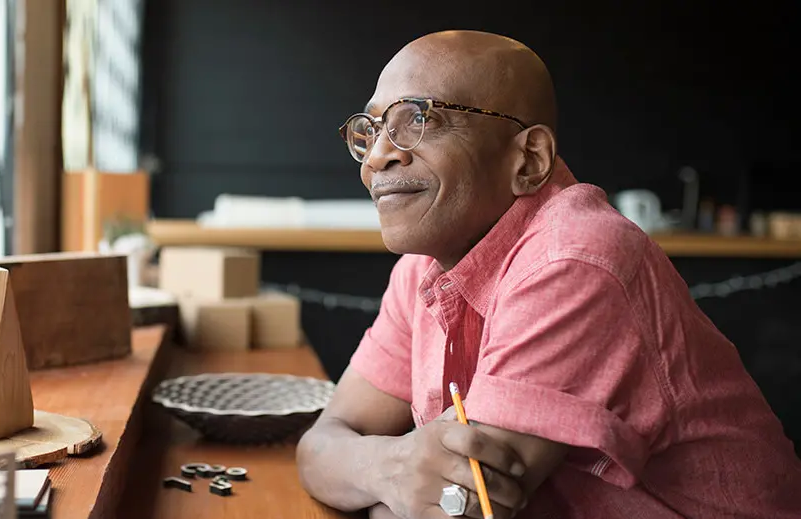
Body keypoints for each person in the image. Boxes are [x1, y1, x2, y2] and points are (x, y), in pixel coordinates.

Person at [295, 30, 801, 519]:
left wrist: (379, 481)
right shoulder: (422, 269)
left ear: (529, 159)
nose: (378, 156)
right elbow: (321, 442)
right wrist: (395, 470)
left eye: (418, 119)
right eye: (372, 129)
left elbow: (459, 508)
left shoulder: (574, 258)